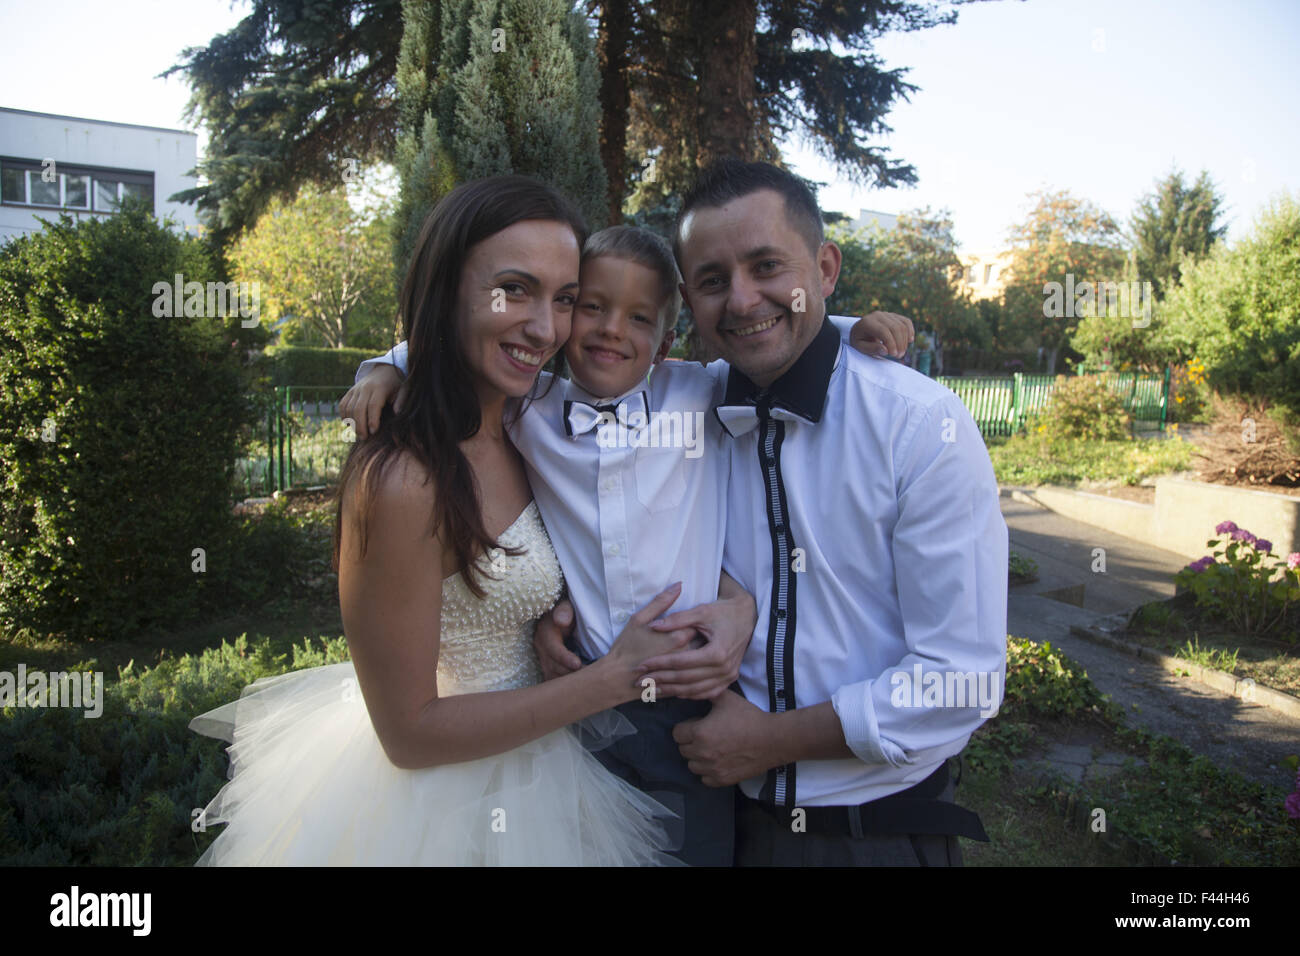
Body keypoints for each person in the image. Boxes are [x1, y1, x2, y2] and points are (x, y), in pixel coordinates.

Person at [343, 224, 915, 865]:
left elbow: (766, 339)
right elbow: (461, 339)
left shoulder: (701, 394)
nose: (613, 329)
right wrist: (386, 367)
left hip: (690, 701)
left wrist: (845, 330)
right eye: (591, 306)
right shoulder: (526, 406)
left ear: (666, 344)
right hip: (580, 703)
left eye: (639, 318)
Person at [189, 176, 700, 866]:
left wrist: (563, 614)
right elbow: (409, 734)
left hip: (557, 762)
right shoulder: (402, 479)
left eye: (564, 300)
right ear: (446, 287)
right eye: (513, 290)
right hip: (450, 806)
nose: (545, 328)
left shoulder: (531, 421)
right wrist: (611, 679)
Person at [537, 160, 1008, 866]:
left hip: (870, 834)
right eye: (712, 281)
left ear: (824, 267)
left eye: (766, 267)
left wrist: (770, 741)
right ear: (689, 307)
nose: (742, 299)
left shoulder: (917, 424)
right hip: (720, 815)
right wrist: (564, 602)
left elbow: (961, 680)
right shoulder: (690, 404)